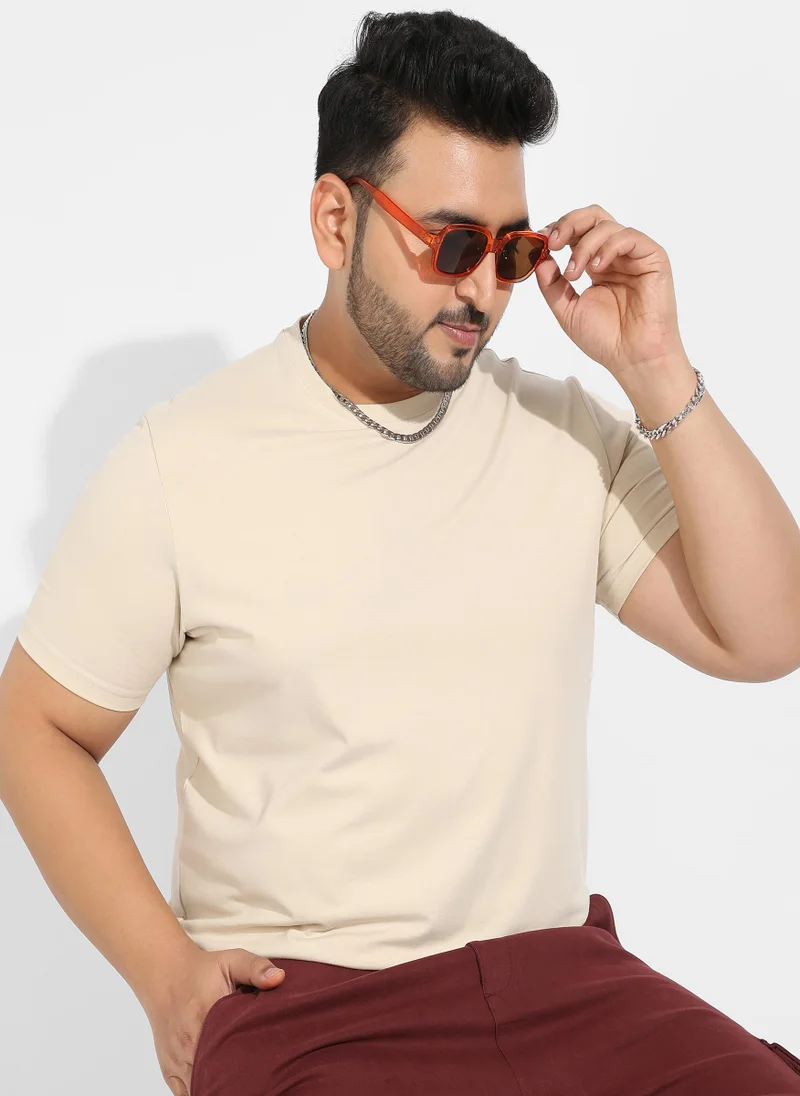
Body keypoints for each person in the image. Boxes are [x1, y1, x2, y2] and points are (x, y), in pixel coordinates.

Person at [1, 9, 799, 1096]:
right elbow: (37, 725)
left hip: (556, 976)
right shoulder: (182, 463)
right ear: (336, 221)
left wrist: (655, 369)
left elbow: (766, 635)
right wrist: (164, 976)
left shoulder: (562, 432)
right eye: (453, 244)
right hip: (317, 1009)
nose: (482, 292)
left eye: (512, 253)